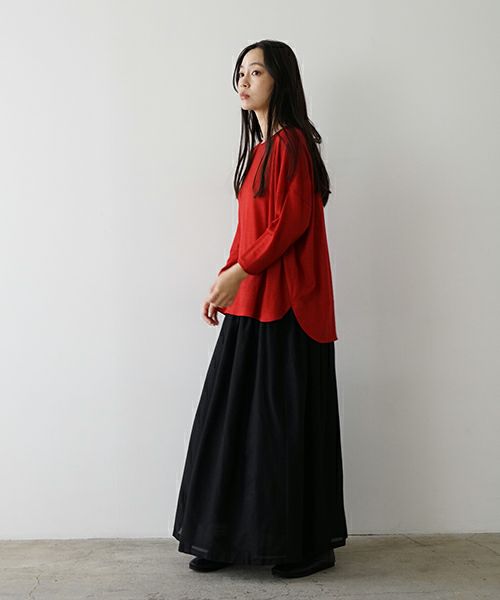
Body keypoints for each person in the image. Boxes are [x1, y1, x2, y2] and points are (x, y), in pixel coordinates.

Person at [172, 39, 348, 579]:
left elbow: (290, 223)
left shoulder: (292, 143)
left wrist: (239, 274)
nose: (243, 81)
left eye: (256, 72)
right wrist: (223, 279)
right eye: (240, 73)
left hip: (288, 304)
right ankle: (226, 538)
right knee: (234, 423)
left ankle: (305, 546)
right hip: (255, 299)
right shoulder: (261, 151)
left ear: (281, 80)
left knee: (277, 426)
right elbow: (249, 229)